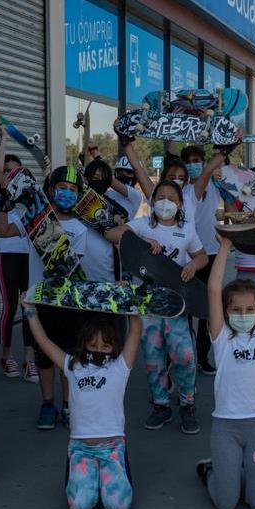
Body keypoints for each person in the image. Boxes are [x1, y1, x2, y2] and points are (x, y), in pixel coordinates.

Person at [0, 165, 116, 430]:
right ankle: (48, 403)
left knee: (70, 355)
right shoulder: (35, 217)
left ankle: (68, 405)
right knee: (43, 354)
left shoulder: (80, 227)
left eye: (72, 190)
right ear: (51, 190)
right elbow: (3, 232)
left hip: (68, 300)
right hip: (40, 297)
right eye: (62, 188)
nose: (66, 193)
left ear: (78, 195)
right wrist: (4, 204)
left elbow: (74, 265)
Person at [106, 179, 208, 434]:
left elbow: (202, 256)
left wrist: (192, 266)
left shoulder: (187, 229)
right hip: (148, 304)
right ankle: (161, 405)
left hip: (177, 304)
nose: (165, 202)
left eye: (171, 198)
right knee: (153, 358)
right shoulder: (142, 225)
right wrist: (142, 240)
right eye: (159, 197)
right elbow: (112, 233)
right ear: (152, 202)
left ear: (180, 203)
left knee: (184, 355)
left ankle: (188, 405)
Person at [196, 233, 255, 509]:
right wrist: (224, 246)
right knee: (226, 504)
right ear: (225, 312)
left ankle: (235, 469)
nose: (243, 314)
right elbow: (213, 289)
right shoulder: (221, 335)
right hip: (227, 427)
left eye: (249, 309)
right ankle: (212, 470)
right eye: (235, 309)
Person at [25, 307, 141, 509]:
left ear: (114, 347)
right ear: (84, 344)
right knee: (80, 506)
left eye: (105, 346)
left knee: (118, 506)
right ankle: (93, 480)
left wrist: (130, 305)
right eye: (93, 344)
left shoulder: (119, 367)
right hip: (81, 449)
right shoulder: (73, 366)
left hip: (112, 449)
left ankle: (104, 478)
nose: (98, 350)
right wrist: (30, 312)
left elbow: (134, 333)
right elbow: (44, 342)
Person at [0, 128, 35, 381]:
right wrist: (3, 139)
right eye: (8, 171)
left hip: (29, 258)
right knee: (10, 306)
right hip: (5, 256)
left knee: (29, 306)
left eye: (15, 171)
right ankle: (7, 355)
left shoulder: (29, 199)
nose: (10, 175)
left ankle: (29, 358)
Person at [179, 145, 228, 375]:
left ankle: (203, 356)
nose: (193, 164)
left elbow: (227, 188)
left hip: (211, 253)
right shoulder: (181, 191)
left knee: (209, 309)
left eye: (197, 160)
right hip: (187, 255)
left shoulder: (214, 183)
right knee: (185, 308)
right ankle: (183, 355)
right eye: (188, 161)